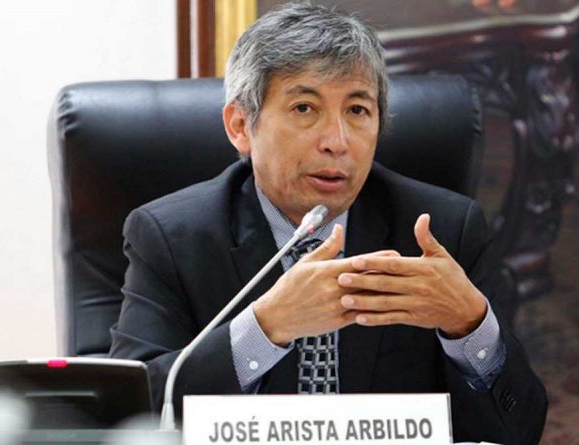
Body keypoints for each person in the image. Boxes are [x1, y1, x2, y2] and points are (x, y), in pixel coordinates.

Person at [109, 2, 547, 443]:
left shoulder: (442, 232)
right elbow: (129, 417)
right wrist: (265, 328)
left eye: (357, 111)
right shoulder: (171, 237)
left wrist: (470, 325)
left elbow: (521, 431)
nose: (337, 142)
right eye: (304, 108)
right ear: (241, 125)